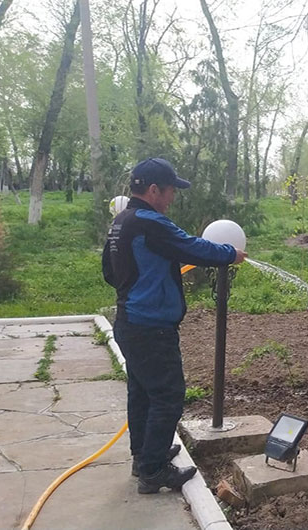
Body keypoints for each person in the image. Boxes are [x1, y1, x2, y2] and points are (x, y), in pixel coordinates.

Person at [102, 157, 247, 494]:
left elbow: (109, 272)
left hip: (128, 321)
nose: (172, 198)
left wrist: (137, 284)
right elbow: (191, 246)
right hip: (150, 327)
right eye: (169, 191)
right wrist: (230, 254)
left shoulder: (122, 221)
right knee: (168, 396)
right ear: (153, 190)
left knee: (142, 394)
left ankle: (144, 456)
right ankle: (153, 471)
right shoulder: (151, 223)